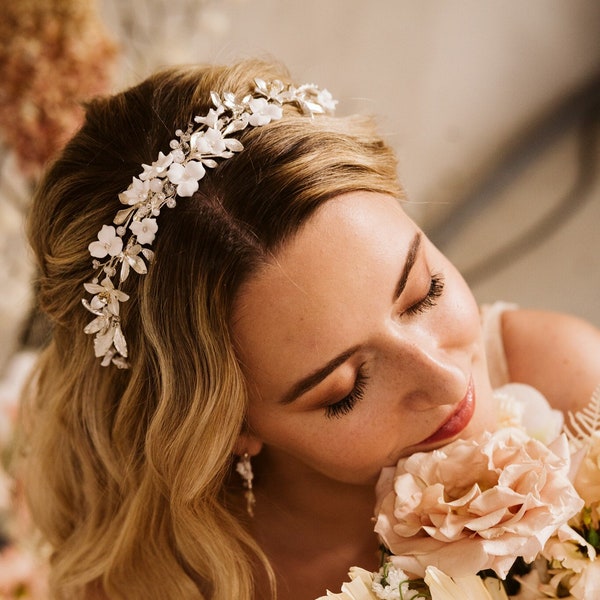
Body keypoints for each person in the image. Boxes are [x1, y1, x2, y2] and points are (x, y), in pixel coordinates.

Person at [21, 58, 600, 600]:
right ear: (229, 427)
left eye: (424, 292)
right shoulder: (171, 579)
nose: (447, 381)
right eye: (345, 389)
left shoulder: (573, 392)